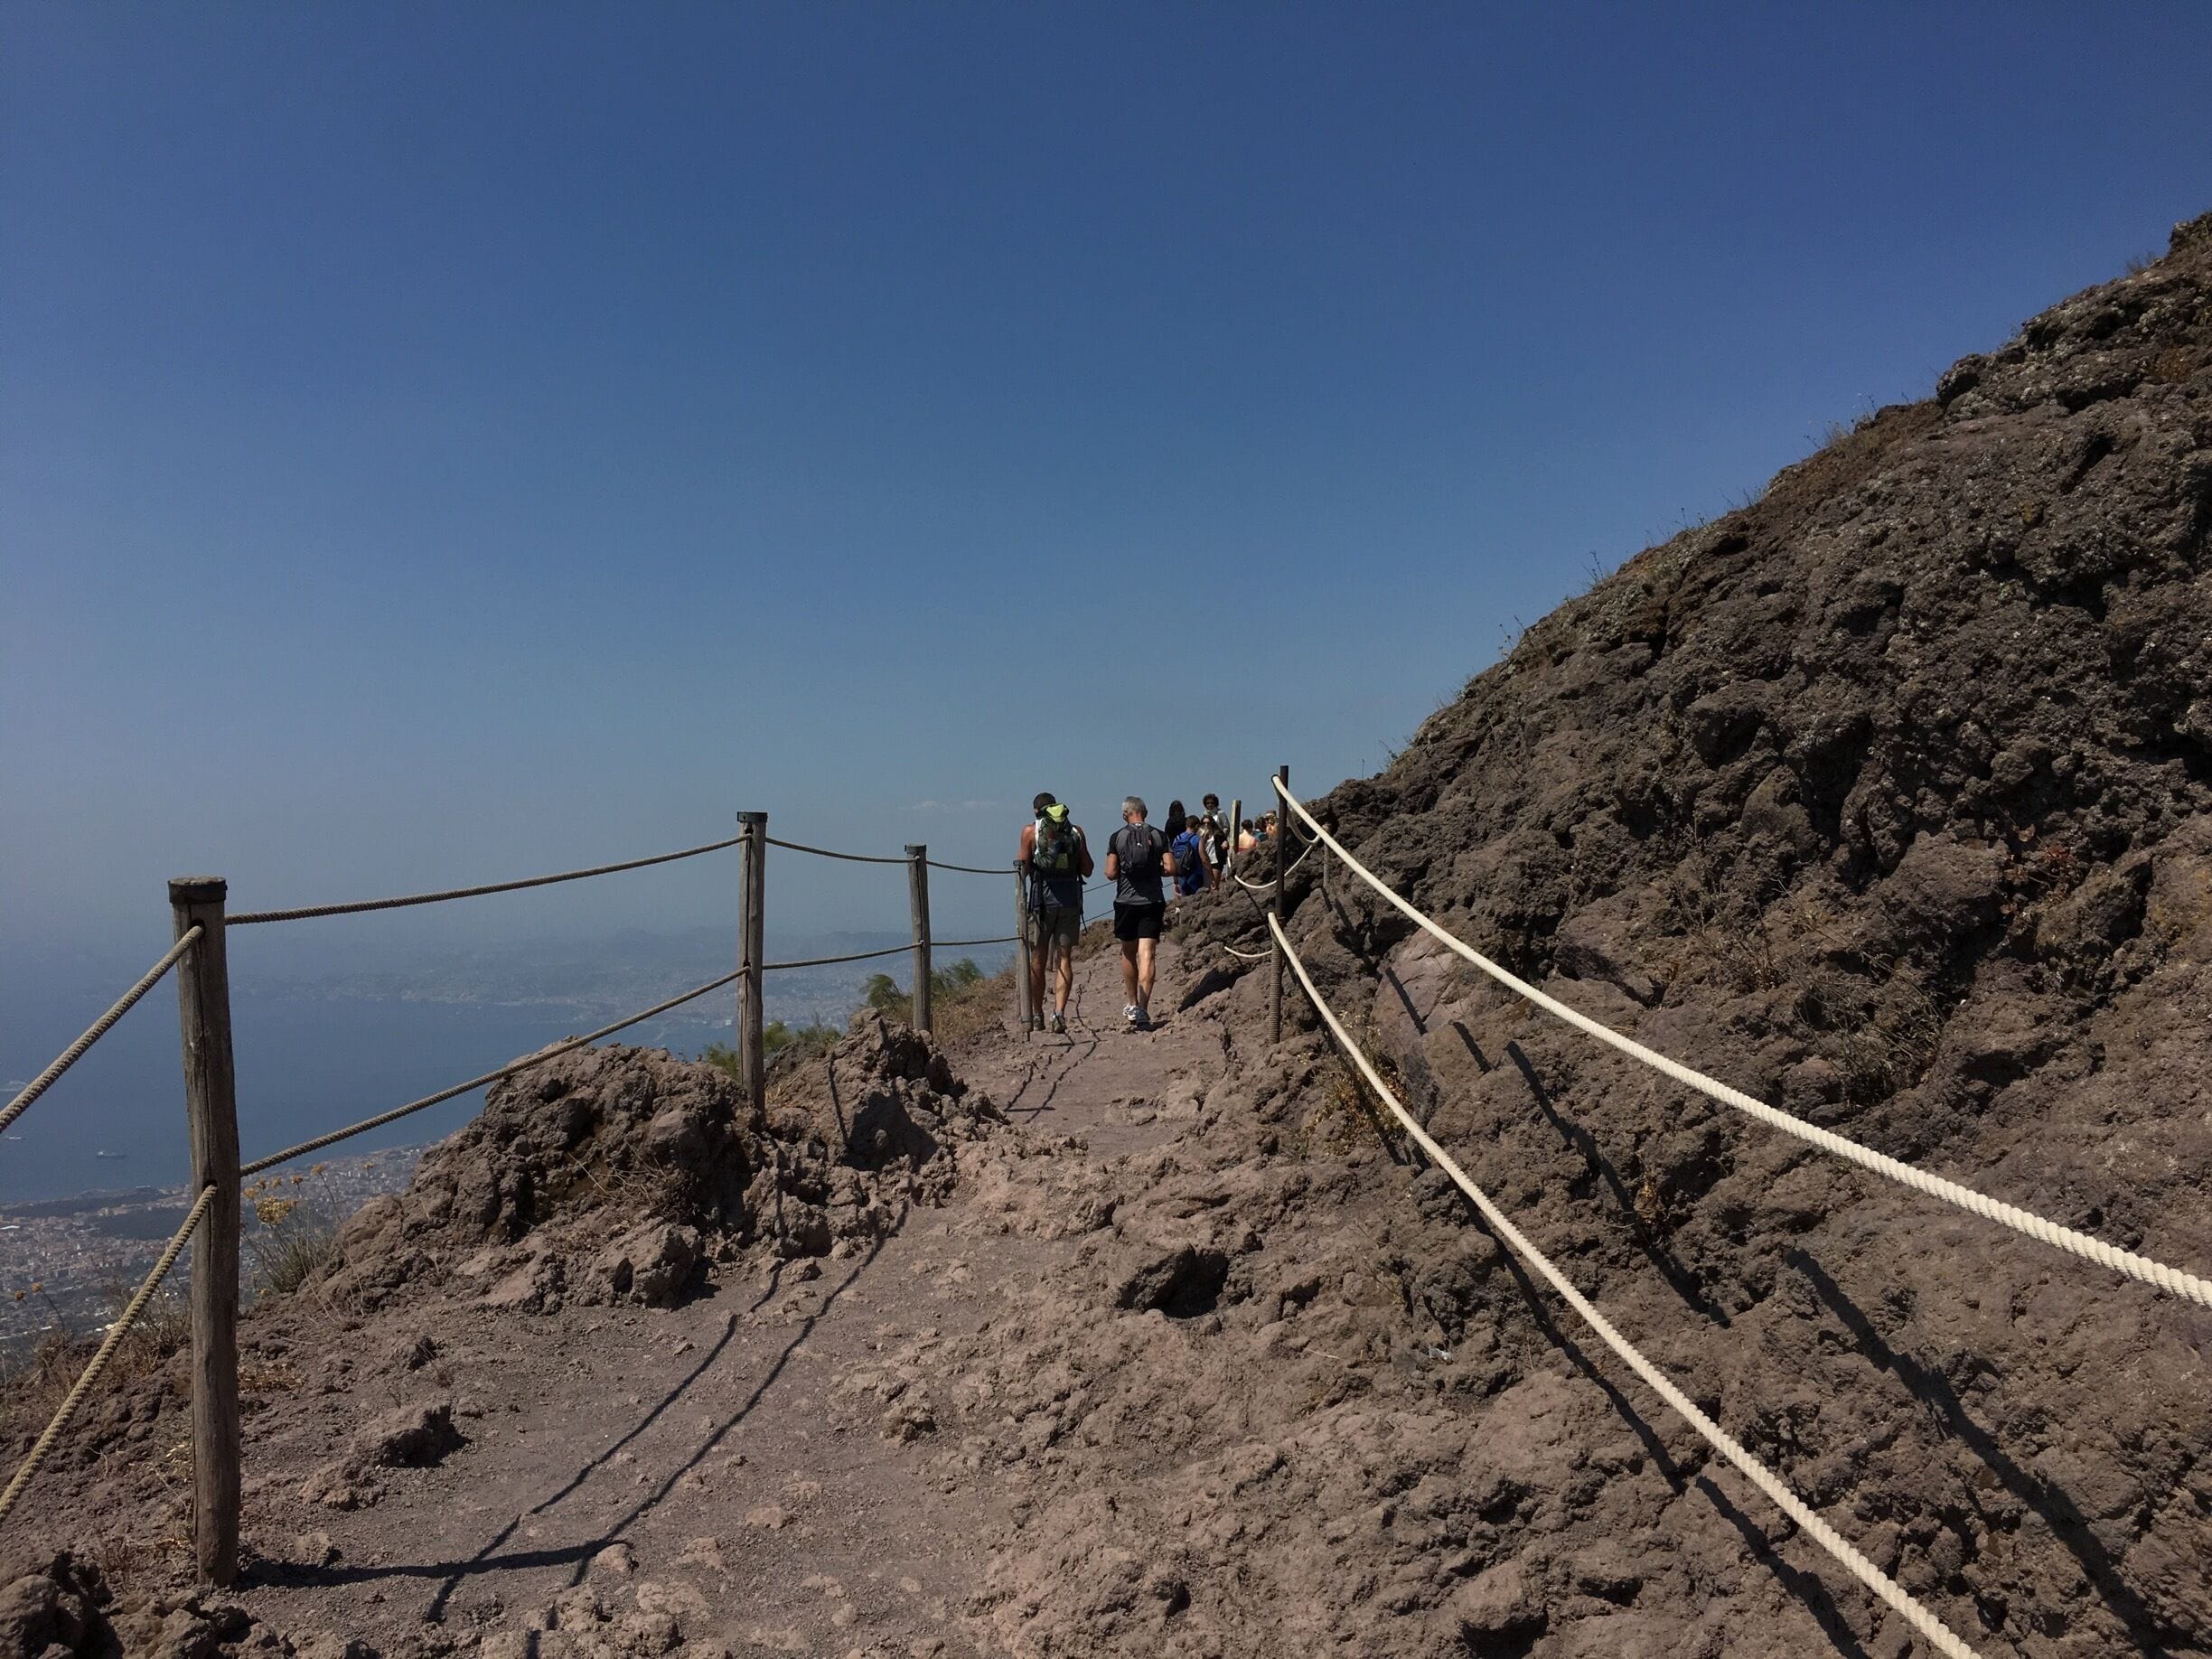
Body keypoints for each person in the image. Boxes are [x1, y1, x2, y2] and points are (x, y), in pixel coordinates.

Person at [1018, 792, 1093, 1034]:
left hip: (1041, 903)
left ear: (1036, 811)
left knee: (1038, 960)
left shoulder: (1031, 831)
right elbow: (1088, 869)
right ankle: (1059, 1013)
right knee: (1064, 959)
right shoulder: (1076, 832)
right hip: (1070, 900)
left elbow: (1022, 867)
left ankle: (1037, 1014)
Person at [1104, 795, 1176, 1030]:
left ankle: (1132, 1003)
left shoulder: (1118, 837)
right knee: (1148, 954)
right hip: (1152, 900)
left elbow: (1111, 873)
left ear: (1125, 814)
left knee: (1128, 953)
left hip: (1126, 901)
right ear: (1145, 812)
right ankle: (1144, 1008)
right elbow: (1171, 868)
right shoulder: (1158, 836)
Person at [1172, 813, 1214, 896]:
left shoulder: (1177, 839)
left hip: (1181, 875)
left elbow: (1173, 859)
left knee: (1185, 901)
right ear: (1196, 826)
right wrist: (1211, 876)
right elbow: (1204, 859)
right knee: (1196, 900)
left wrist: (1175, 880)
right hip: (1195, 874)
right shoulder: (1198, 839)